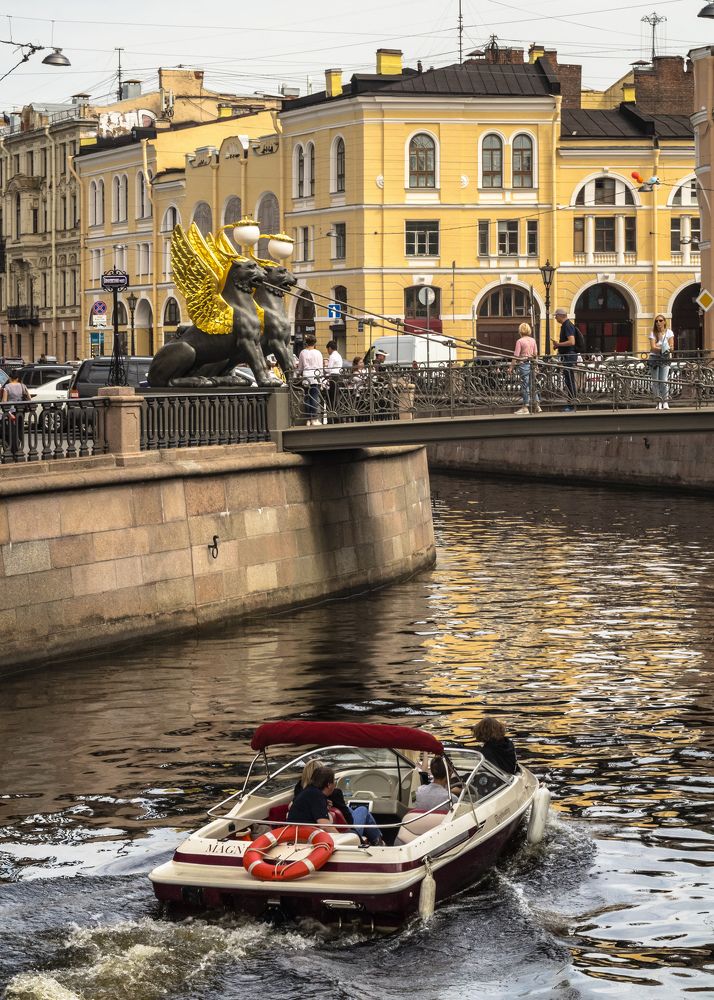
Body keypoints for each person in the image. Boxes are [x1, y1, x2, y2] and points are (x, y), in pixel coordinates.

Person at [292, 761, 384, 845]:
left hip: (299, 834)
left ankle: (376, 842)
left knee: (352, 830)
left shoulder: (308, 792)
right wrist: (340, 837)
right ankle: (380, 843)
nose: (335, 784)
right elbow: (324, 825)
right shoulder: (317, 795)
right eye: (334, 782)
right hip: (307, 838)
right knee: (362, 812)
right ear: (328, 784)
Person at [509, 322, 541, 415]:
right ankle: (537, 405)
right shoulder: (533, 340)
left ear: (520, 331)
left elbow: (516, 356)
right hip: (532, 365)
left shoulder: (519, 341)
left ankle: (525, 407)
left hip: (524, 365)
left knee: (525, 386)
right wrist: (537, 366)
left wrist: (511, 367)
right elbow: (535, 354)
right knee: (533, 385)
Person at [552, 308, 578, 412]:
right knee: (569, 380)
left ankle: (571, 404)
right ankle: (571, 403)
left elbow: (572, 342)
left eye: (556, 316)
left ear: (560, 315)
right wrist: (558, 346)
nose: (555, 318)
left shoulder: (567, 325)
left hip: (569, 356)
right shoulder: (567, 325)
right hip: (568, 355)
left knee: (569, 380)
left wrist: (558, 344)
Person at [648, 314, 675, 410]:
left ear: (664, 322)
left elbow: (672, 348)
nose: (658, 323)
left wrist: (660, 347)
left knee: (663, 381)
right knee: (655, 381)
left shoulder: (669, 332)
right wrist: (664, 347)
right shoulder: (653, 333)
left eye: (660, 320)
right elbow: (653, 348)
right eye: (656, 321)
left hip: (665, 359)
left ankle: (665, 402)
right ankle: (658, 402)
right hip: (654, 359)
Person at [297, 333, 323, 426]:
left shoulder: (302, 352)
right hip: (315, 377)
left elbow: (300, 367)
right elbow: (320, 367)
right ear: (315, 343)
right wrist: (322, 379)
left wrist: (298, 374)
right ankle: (314, 418)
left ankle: (308, 419)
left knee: (307, 398)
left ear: (306, 343)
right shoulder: (318, 353)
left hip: (306, 377)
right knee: (315, 398)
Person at [1, 370, 30, 452]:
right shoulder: (22, 386)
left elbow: (4, 401)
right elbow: (29, 398)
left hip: (11, 412)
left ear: (10, 377)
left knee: (12, 430)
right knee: (20, 429)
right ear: (17, 378)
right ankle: (19, 446)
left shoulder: (7, 387)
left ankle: (13, 448)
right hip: (21, 411)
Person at [324, 340, 343, 422]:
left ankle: (333, 417)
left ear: (330, 348)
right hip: (338, 377)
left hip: (333, 377)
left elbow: (329, 369)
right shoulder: (339, 355)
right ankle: (337, 416)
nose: (328, 351)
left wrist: (324, 369)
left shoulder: (332, 356)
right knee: (336, 397)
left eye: (327, 349)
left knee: (332, 397)